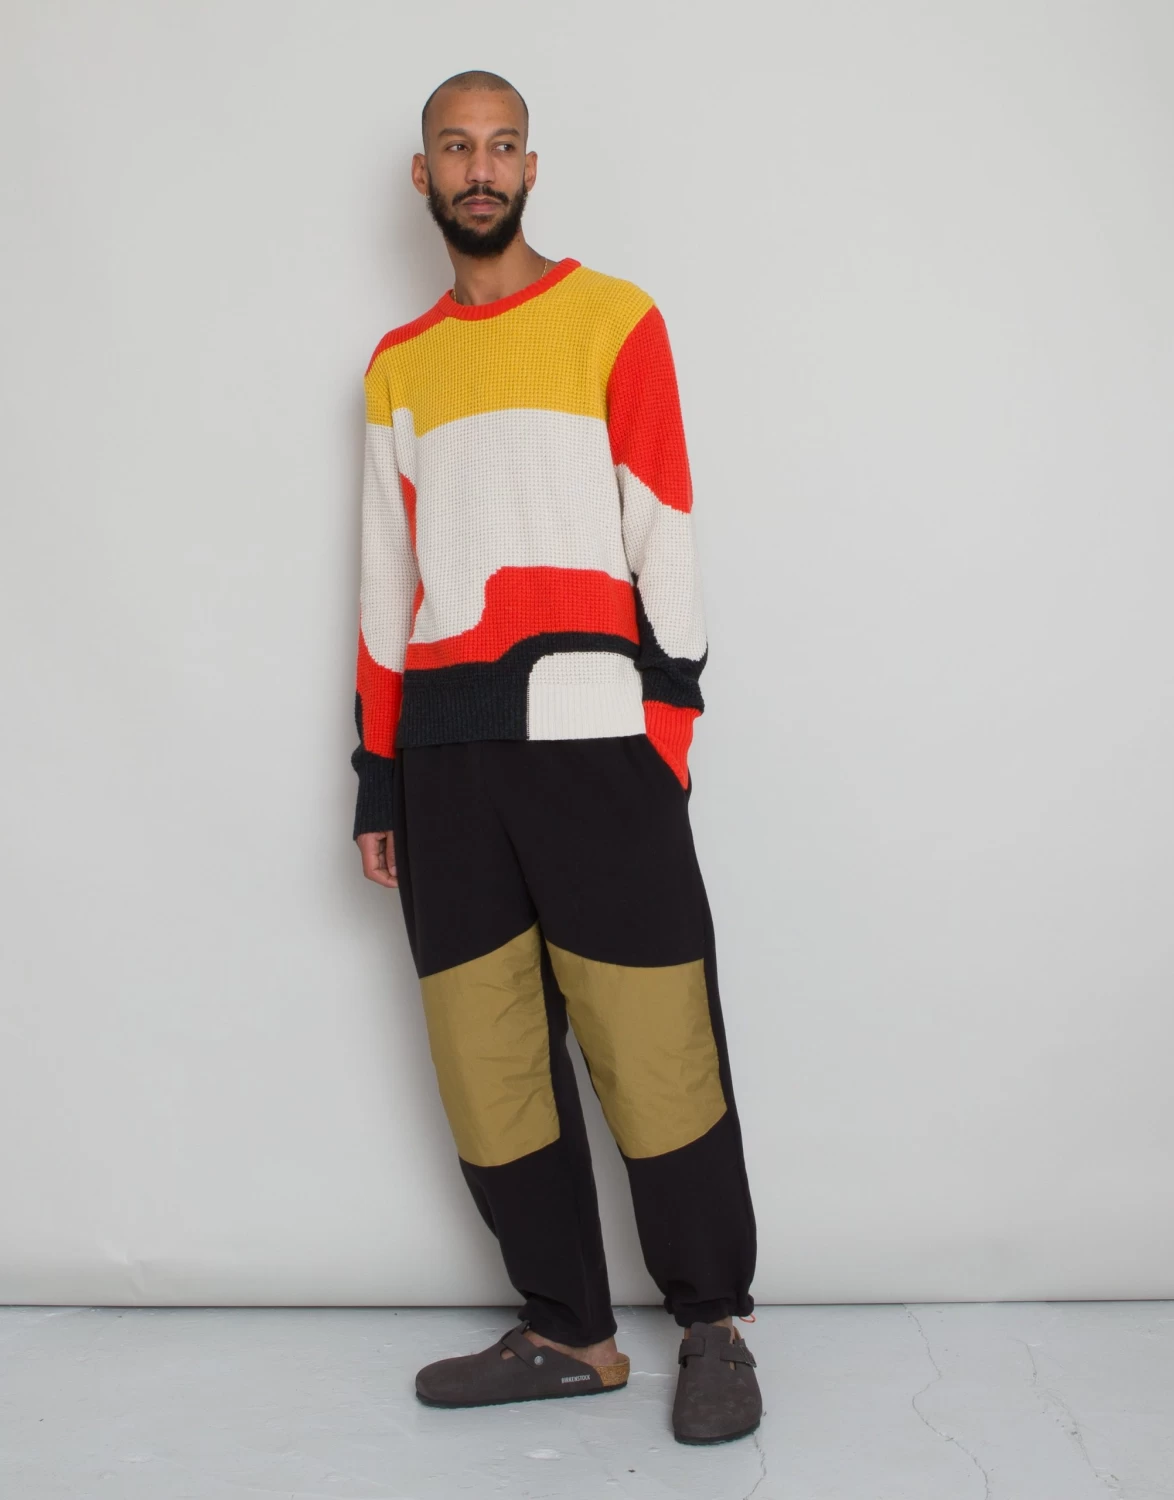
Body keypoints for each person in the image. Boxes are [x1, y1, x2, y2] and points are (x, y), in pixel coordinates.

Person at [349, 69, 761, 1446]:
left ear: (532, 167)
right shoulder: (399, 366)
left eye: (502, 146)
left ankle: (713, 1328)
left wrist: (666, 730)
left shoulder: (614, 320)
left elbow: (665, 527)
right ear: (423, 175)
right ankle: (572, 1332)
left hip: (597, 744)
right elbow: (385, 581)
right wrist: (379, 773)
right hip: (448, 761)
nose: (480, 168)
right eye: (455, 148)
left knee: (657, 1046)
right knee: (490, 1064)